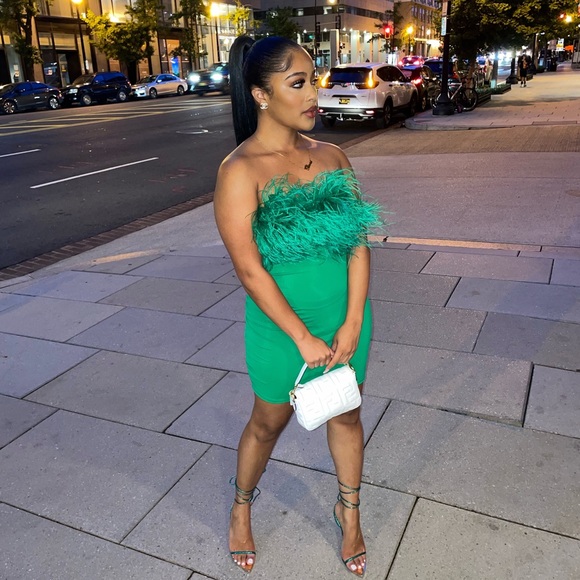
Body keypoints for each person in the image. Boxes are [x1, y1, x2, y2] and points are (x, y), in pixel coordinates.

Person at [214, 35, 382, 576]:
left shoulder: (333, 156)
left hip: (344, 318)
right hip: (281, 328)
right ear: (261, 95)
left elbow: (358, 244)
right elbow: (249, 270)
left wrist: (353, 320)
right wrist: (302, 337)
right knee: (268, 422)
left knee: (347, 412)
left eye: (315, 80)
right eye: (298, 83)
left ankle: (349, 513)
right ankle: (242, 505)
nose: (314, 94)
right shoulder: (240, 170)